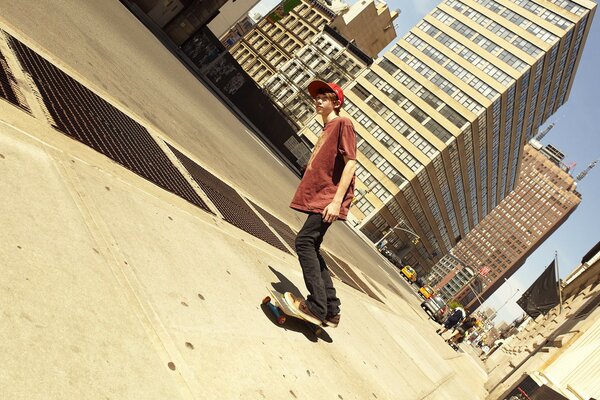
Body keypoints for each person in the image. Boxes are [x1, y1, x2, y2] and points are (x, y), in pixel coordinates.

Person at [286, 80, 357, 328]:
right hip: (323, 197)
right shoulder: (327, 127)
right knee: (312, 245)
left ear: (336, 103)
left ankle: (317, 307)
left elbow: (351, 163)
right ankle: (331, 310)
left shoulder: (342, 123)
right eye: (317, 97)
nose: (318, 101)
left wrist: (336, 202)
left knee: (304, 242)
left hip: (329, 199)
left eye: (324, 97)